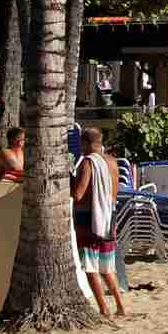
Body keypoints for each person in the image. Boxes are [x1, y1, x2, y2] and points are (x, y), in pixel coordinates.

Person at [71, 127, 125, 318]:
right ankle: (120, 306)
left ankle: (104, 309)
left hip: (89, 218)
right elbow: (115, 191)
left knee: (91, 266)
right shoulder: (111, 162)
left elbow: (78, 194)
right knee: (107, 266)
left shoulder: (87, 163)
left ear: (86, 143)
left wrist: (69, 178)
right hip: (110, 217)